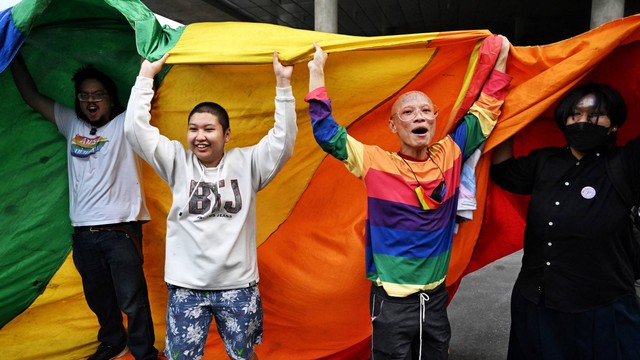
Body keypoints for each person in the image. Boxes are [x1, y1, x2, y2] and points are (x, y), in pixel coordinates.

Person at [305, 36, 511, 359]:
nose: (419, 117)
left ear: (435, 119)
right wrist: (316, 71)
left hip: (435, 300)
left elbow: (486, 111)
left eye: (426, 111)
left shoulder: (451, 153)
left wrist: (502, 57)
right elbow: (326, 132)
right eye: (408, 112)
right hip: (391, 304)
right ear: (392, 125)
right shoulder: (374, 161)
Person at [124, 51, 297, 360]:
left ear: (226, 134)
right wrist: (146, 76)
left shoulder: (247, 163)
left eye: (208, 129)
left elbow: (282, 141)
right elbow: (136, 131)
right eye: (193, 128)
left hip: (238, 286)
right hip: (186, 287)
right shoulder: (177, 161)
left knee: (244, 355)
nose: (199, 136)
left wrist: (283, 84)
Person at [9, 54, 158, 360]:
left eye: (98, 95)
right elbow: (30, 96)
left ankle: (145, 353)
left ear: (110, 98)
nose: (91, 101)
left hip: (119, 231)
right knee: (99, 298)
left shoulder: (125, 124)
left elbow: (145, 90)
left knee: (132, 300)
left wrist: (148, 59)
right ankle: (115, 342)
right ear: (78, 100)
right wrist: (13, 55)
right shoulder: (71, 124)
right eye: (84, 95)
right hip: (83, 235)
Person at [490, 83, 640, 359]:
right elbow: (503, 171)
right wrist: (510, 116)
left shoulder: (626, 163)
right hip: (536, 303)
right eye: (575, 114)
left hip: (601, 308)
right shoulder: (544, 161)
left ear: (613, 125)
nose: (583, 121)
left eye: (595, 114)